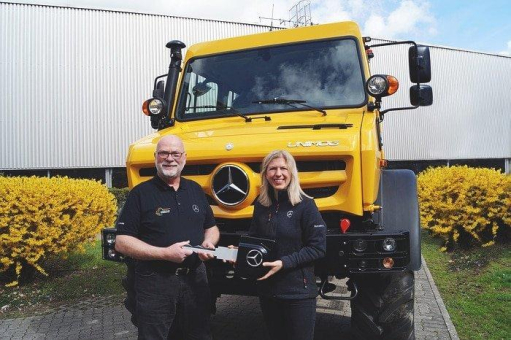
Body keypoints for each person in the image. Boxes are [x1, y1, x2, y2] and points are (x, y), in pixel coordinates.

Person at [115, 134, 220, 340]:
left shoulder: (195, 190)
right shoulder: (140, 194)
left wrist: (209, 242)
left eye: (175, 153)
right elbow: (122, 242)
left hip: (195, 279)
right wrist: (164, 253)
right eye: (164, 153)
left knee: (198, 333)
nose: (169, 158)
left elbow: (212, 227)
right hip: (155, 281)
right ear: (155, 157)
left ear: (184, 158)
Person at [248, 150, 327, 340]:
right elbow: (254, 240)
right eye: (272, 169)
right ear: (265, 174)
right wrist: (241, 252)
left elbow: (318, 248)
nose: (278, 174)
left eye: (283, 168)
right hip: (269, 291)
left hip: (298, 293)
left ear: (292, 172)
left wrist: (284, 263)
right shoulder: (261, 205)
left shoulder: (306, 205)